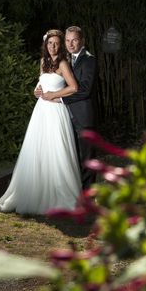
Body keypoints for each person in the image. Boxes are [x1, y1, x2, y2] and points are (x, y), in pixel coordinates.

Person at [0, 29, 81, 214]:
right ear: (45, 45)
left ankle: (59, 195)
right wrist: (36, 91)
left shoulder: (63, 63)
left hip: (55, 112)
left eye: (56, 43)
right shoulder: (42, 62)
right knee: (37, 150)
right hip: (41, 111)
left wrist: (54, 95)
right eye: (50, 43)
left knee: (56, 150)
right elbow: (41, 85)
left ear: (60, 45)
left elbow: (74, 87)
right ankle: (33, 191)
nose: (53, 47)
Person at [41, 26, 97, 189]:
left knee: (87, 158)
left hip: (83, 116)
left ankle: (88, 195)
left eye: (74, 40)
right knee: (70, 157)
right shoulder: (64, 58)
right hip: (64, 116)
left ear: (82, 41)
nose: (70, 44)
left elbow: (85, 90)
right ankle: (74, 192)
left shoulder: (89, 60)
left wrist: (59, 98)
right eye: (67, 40)